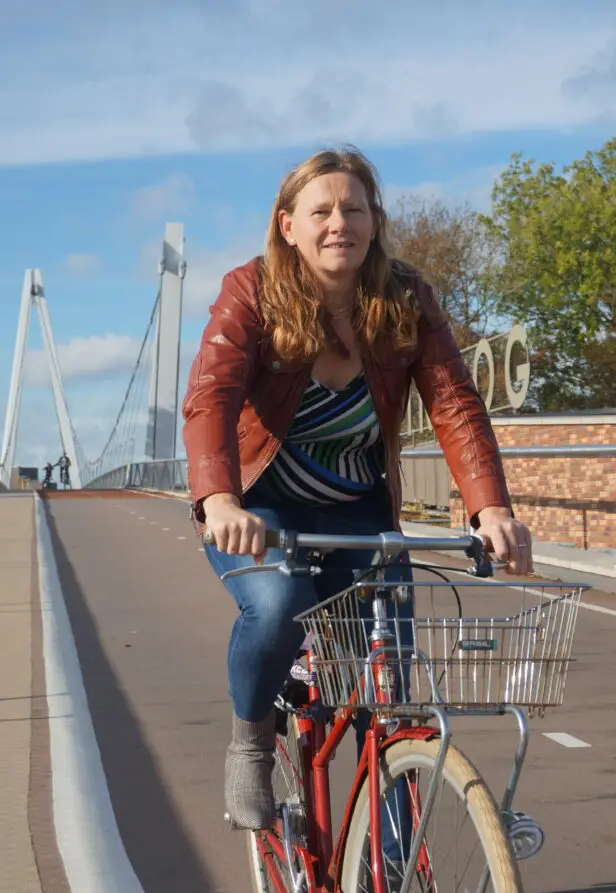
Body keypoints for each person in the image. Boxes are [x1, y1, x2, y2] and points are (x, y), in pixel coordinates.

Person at [182, 147, 533, 833]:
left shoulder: (405, 297)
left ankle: (392, 882)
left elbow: (455, 402)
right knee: (278, 603)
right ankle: (251, 744)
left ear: (374, 220)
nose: (338, 222)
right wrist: (220, 501)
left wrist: (491, 508)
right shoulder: (249, 291)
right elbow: (212, 399)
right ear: (288, 225)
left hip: (360, 511)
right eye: (321, 211)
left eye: (354, 208)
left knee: (389, 692)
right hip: (262, 510)